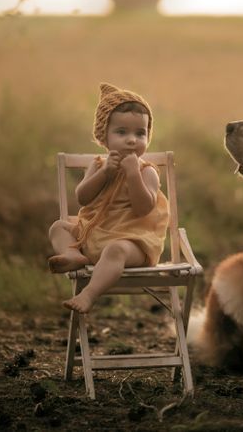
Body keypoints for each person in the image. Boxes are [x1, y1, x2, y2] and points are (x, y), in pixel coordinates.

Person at [48, 83, 169, 313]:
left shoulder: (147, 171)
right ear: (104, 136)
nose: (132, 140)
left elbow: (144, 208)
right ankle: (72, 254)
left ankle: (89, 294)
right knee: (58, 227)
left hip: (132, 242)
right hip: (94, 235)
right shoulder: (98, 166)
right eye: (122, 132)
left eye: (140, 133)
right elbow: (83, 198)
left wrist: (133, 175)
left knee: (115, 250)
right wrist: (104, 174)